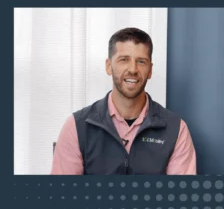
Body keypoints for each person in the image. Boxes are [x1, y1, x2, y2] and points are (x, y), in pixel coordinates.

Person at [51, 27, 196, 175]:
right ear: (109, 66)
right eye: (124, 60)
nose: (133, 69)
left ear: (150, 70)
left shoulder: (176, 130)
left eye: (141, 61)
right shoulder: (76, 127)